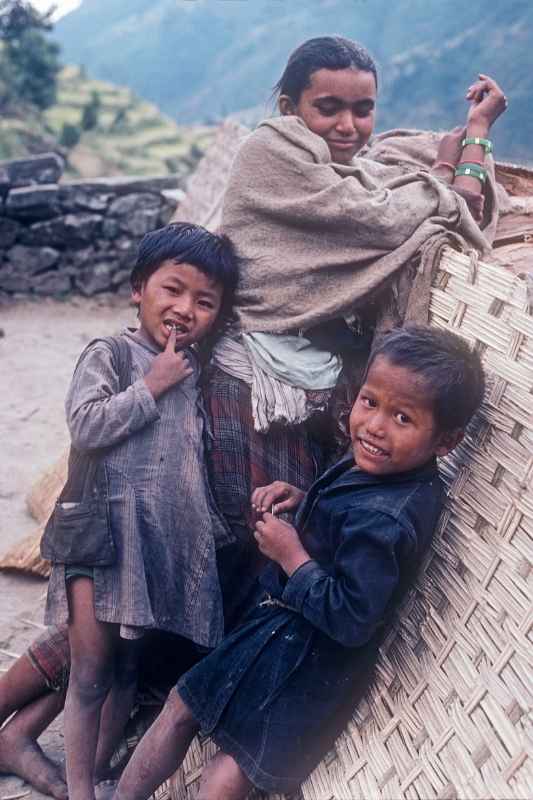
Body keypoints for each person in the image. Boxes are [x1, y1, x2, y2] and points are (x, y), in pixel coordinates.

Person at [207, 35, 507, 630]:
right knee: (241, 538)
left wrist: (450, 162)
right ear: (291, 110)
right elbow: (407, 211)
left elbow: (409, 201)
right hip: (255, 383)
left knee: (289, 530)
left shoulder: (349, 173)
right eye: (329, 108)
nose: (349, 126)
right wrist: (473, 139)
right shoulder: (269, 155)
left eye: (363, 109)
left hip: (319, 380)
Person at [112, 324, 486, 800]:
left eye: (402, 418)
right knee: (182, 703)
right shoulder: (379, 467)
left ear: (445, 443)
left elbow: (351, 618)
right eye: (369, 402)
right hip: (273, 631)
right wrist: (304, 501)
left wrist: (292, 555)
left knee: (232, 766)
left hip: (306, 666)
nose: (374, 426)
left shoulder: (389, 519)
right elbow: (343, 524)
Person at [40, 222, 239, 800]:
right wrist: (150, 386)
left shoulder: (196, 369)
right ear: (138, 289)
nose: (184, 309)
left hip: (155, 546)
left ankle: (98, 773)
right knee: (91, 671)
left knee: (128, 670)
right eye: (171, 290)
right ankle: (80, 791)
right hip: (100, 538)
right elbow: (85, 425)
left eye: (204, 301)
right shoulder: (111, 354)